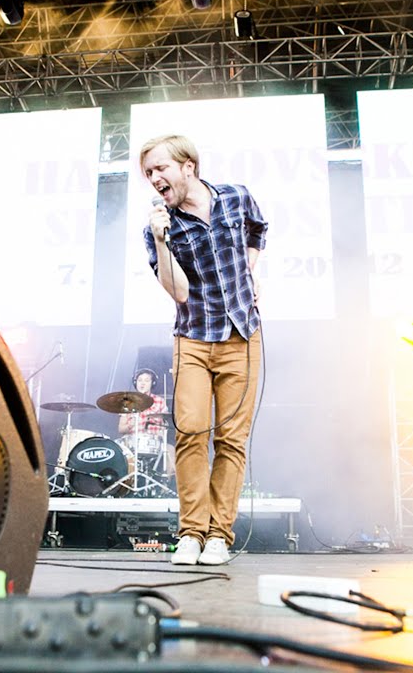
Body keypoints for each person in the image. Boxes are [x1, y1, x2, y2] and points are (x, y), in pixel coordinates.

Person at [139, 133, 267, 566]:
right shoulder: (159, 227)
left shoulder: (235, 198)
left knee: (231, 439)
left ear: (188, 166)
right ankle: (191, 533)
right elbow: (178, 292)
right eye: (149, 173)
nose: (154, 178)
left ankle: (219, 536)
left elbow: (258, 229)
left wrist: (250, 267)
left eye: (160, 168)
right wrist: (161, 241)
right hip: (193, 338)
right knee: (191, 433)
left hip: (242, 336)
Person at [117, 368, 172, 477]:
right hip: (132, 443)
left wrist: (162, 431)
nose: (142, 383)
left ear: (152, 383)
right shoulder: (128, 402)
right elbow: (120, 429)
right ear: (135, 382)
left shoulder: (160, 401)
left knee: (171, 451)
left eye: (146, 380)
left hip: (154, 443)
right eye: (140, 380)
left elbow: (165, 424)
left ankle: (166, 485)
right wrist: (131, 424)